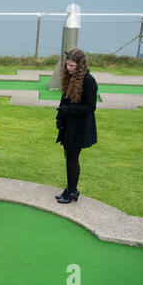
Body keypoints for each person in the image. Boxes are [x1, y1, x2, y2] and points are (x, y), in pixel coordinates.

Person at [55, 48, 98, 203]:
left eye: (72, 66)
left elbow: (90, 106)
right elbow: (66, 99)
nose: (68, 68)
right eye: (67, 65)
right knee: (68, 156)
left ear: (80, 65)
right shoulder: (70, 77)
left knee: (72, 158)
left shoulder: (89, 81)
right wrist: (60, 114)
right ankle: (71, 188)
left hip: (80, 126)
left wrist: (67, 110)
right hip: (69, 123)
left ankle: (72, 192)